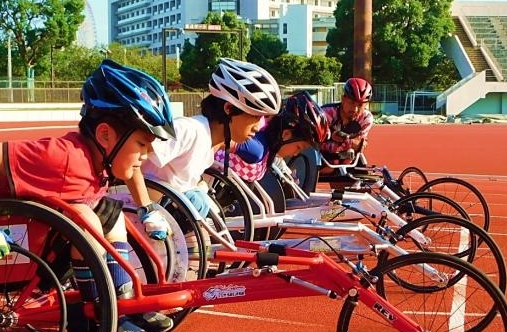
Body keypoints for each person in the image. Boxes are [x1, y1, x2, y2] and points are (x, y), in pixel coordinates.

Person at [0, 60, 175, 332]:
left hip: (50, 227)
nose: (147, 154)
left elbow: (132, 168)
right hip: (9, 225)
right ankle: (101, 318)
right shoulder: (63, 156)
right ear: (104, 135)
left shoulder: (102, 157)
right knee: (85, 215)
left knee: (111, 218)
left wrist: (147, 209)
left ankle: (123, 305)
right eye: (142, 144)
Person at [132, 58, 281, 229]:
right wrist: (147, 209)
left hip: (167, 222)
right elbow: (132, 158)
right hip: (138, 220)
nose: (259, 126)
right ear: (229, 109)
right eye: (255, 116)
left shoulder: (208, 143)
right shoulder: (190, 130)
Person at [212, 90, 330, 183]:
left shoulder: (266, 141)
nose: (295, 154)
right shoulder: (257, 150)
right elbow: (220, 140)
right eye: (299, 147)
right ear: (286, 134)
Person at [318, 77, 374, 173]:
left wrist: (343, 138)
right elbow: (313, 144)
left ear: (366, 105)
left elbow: (359, 146)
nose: (355, 109)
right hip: (321, 156)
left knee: (362, 181)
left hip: (347, 157)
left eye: (360, 105)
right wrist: (350, 142)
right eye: (351, 103)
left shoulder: (366, 119)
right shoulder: (325, 114)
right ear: (343, 99)